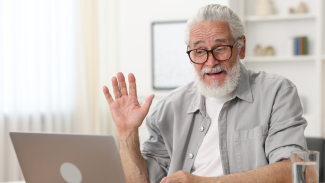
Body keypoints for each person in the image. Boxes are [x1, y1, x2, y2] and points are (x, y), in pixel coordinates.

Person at [103, 4, 308, 183]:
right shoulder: (170, 107)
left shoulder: (277, 92)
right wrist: (126, 133)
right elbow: (142, 180)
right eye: (200, 52)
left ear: (241, 47)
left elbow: (294, 172)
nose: (210, 63)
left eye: (220, 48)